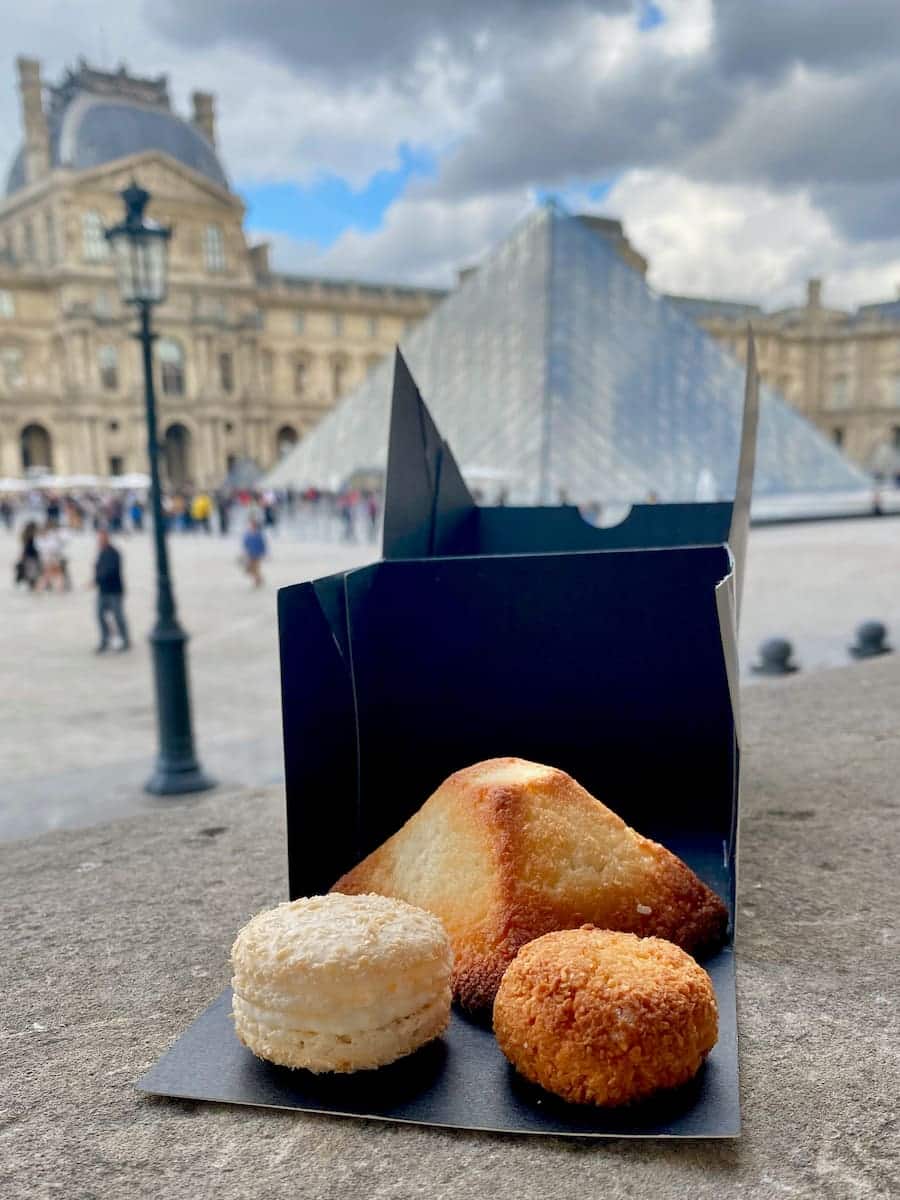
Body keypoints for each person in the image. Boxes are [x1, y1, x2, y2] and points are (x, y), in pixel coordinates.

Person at [93, 529, 130, 653]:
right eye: (99, 539)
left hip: (114, 590)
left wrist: (98, 579)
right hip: (102, 590)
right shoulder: (101, 552)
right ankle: (105, 639)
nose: (99, 542)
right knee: (99, 614)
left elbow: (111, 570)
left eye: (102, 539)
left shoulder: (114, 553)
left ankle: (125, 639)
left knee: (118, 616)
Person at [241, 517, 267, 588]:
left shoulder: (258, 534)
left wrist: (263, 553)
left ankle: (258, 581)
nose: (250, 526)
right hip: (250, 554)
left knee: (255, 568)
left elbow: (263, 544)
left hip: (257, 555)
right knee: (249, 569)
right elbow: (245, 544)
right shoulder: (248, 534)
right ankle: (259, 579)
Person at [15, 521, 41, 590]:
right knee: (32, 572)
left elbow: (24, 547)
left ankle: (31, 585)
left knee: (30, 571)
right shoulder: (33, 536)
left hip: (29, 555)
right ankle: (32, 585)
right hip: (33, 555)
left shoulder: (26, 535)